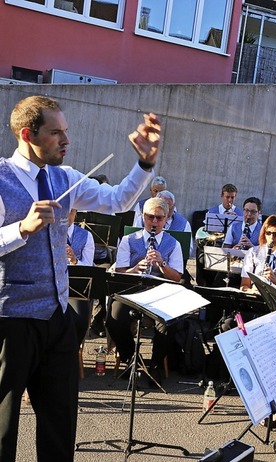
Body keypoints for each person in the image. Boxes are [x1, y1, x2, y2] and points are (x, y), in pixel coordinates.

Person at [0, 95, 160, 462]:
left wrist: (145, 162)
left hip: (57, 318)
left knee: (60, 426)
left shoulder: (65, 177)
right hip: (10, 321)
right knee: (3, 428)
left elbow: (119, 200)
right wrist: (21, 229)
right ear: (28, 134)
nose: (66, 140)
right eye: (56, 133)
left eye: (66, 131)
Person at [106, 198, 183, 387]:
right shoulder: (128, 240)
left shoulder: (174, 244)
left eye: (159, 218)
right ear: (143, 217)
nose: (154, 222)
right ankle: (131, 360)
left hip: (160, 292)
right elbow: (120, 272)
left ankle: (155, 365)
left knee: (169, 322)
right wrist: (135, 269)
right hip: (132, 290)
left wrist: (161, 263)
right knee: (113, 319)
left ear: (166, 219)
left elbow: (177, 277)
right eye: (150, 217)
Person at [66, 208, 95, 344]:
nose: (67, 215)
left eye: (71, 211)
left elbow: (88, 268)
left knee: (80, 319)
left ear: (76, 213)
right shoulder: (46, 231)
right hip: (49, 284)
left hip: (75, 287)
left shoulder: (86, 236)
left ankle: (70, 352)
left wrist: (74, 260)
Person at [155, 190, 194, 257]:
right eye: (163, 209)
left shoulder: (184, 224)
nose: (166, 213)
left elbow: (188, 250)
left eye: (169, 209)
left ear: (174, 207)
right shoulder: (142, 220)